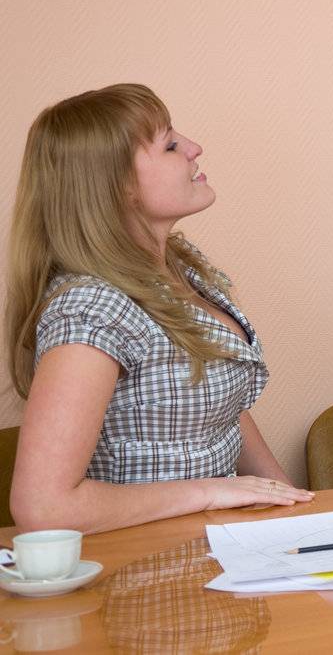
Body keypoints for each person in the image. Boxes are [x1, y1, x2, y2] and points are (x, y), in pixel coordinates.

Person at [5, 84, 313, 533]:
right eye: (170, 145)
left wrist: (294, 509)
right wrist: (210, 491)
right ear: (118, 185)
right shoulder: (92, 308)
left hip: (221, 556)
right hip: (142, 575)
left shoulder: (180, 268)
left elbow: (218, 405)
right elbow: (42, 509)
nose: (194, 148)